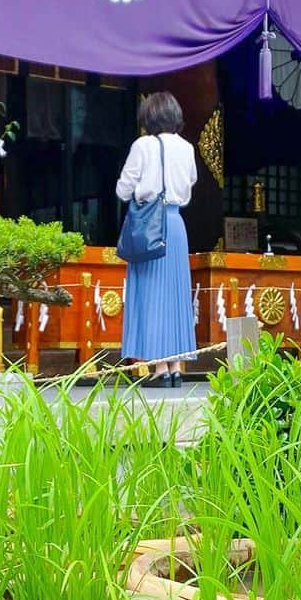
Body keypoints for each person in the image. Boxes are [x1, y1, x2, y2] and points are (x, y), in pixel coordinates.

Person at [117, 91, 197, 388]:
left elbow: (124, 189)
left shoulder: (144, 145)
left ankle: (159, 367)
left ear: (148, 118)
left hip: (151, 224)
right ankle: (176, 366)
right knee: (175, 296)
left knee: (150, 294)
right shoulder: (187, 148)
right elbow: (189, 184)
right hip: (175, 225)